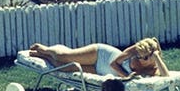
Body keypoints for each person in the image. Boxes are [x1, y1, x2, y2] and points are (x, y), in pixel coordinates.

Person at [28, 37, 169, 79]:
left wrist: (157, 56)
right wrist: (126, 76)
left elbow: (166, 76)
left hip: (100, 71)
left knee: (63, 67)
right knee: (63, 56)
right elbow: (114, 63)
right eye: (138, 56)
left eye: (144, 58)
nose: (140, 59)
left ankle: (44, 56)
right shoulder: (135, 50)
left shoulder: (153, 68)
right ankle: (45, 50)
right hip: (101, 55)